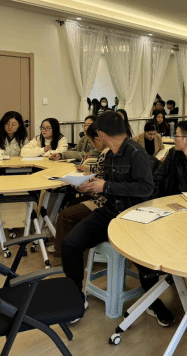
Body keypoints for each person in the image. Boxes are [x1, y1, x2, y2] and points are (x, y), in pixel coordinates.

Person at [61, 111, 175, 326]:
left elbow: (146, 188)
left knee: (144, 261)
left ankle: (152, 301)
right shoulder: (111, 155)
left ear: (102, 134)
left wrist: (105, 185)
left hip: (133, 217)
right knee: (70, 244)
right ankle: (75, 299)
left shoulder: (136, 153)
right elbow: (108, 185)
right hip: (109, 212)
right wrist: (91, 185)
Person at [51, 123, 108, 257]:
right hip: (104, 196)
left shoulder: (106, 152)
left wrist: (83, 183)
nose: (92, 145)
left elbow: (101, 181)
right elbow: (101, 171)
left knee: (65, 215)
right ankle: (69, 246)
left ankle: (64, 254)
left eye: (92, 141)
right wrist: (87, 171)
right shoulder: (110, 151)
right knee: (71, 204)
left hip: (103, 201)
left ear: (98, 138)